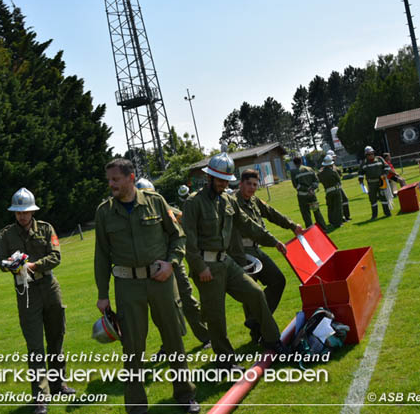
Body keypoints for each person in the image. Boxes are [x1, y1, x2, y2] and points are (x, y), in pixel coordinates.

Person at [95, 159, 199, 414]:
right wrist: (102, 294)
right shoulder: (104, 212)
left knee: (173, 338)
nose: (111, 185)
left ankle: (185, 395)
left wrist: (171, 264)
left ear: (130, 178)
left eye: (115, 180)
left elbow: (178, 236)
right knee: (132, 347)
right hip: (128, 287)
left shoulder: (156, 201)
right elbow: (101, 255)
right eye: (109, 180)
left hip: (161, 281)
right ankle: (136, 407)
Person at [182, 153, 290, 372]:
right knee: (216, 318)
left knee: (256, 293)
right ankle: (225, 361)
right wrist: (200, 267)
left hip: (227, 262)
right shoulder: (194, 203)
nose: (223, 184)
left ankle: (271, 340)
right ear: (209, 178)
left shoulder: (228, 200)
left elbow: (248, 224)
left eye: (225, 180)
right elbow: (187, 242)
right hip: (206, 266)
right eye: (219, 180)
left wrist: (274, 241)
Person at [0, 188, 73, 414]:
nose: (22, 216)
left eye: (26, 212)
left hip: (49, 286)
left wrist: (34, 265)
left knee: (56, 337)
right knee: (35, 346)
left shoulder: (46, 228)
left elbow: (56, 256)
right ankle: (41, 396)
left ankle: (59, 384)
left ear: (32, 211)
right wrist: (11, 264)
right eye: (18, 212)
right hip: (25, 291)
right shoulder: (6, 234)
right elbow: (0, 261)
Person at [135, 179, 210, 353]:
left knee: (187, 300)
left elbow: (186, 225)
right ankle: (167, 345)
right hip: (153, 269)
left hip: (173, 263)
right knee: (160, 310)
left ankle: (206, 336)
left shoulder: (166, 208)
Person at [229, 169, 303, 343]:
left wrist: (292, 225)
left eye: (255, 185)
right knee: (251, 293)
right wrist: (273, 241)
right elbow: (249, 227)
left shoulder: (254, 200)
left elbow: (271, 213)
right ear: (241, 184)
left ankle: (255, 321)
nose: (252, 188)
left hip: (256, 248)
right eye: (249, 184)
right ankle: (256, 334)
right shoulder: (232, 202)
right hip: (241, 252)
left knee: (278, 280)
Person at [291, 156, 328, 231]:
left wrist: (306, 189)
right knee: (316, 212)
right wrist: (312, 189)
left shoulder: (293, 172)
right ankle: (323, 228)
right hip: (312, 195)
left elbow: (296, 185)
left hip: (302, 197)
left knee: (306, 214)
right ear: (301, 161)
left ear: (294, 163)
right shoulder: (309, 169)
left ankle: (311, 231)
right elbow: (316, 181)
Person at [359, 146, 392, 219]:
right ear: (366, 155)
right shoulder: (364, 163)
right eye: (368, 154)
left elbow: (387, 167)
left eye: (371, 153)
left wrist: (384, 174)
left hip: (381, 182)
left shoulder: (380, 159)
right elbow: (360, 173)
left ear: (373, 153)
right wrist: (361, 181)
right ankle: (374, 215)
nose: (370, 155)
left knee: (383, 197)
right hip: (371, 184)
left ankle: (387, 213)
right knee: (373, 199)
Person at [318, 155, 344, 229]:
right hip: (336, 190)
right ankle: (338, 222)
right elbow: (339, 180)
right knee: (338, 206)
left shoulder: (320, 173)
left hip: (328, 191)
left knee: (330, 207)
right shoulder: (333, 171)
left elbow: (319, 179)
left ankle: (331, 221)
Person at [326, 150, 351, 221]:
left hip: (339, 187)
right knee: (338, 203)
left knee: (345, 200)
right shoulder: (328, 167)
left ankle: (346, 216)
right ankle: (342, 217)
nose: (335, 158)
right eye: (333, 157)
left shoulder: (334, 166)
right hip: (334, 188)